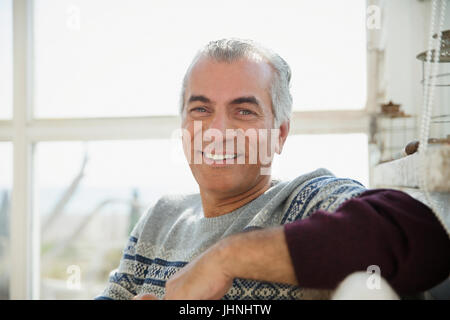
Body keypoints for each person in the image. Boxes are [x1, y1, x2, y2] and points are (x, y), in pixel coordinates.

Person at [96, 38, 450, 300]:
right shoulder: (161, 218)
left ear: (279, 133)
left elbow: (424, 237)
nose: (218, 132)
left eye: (244, 111)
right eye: (201, 110)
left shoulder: (307, 200)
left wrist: (225, 258)